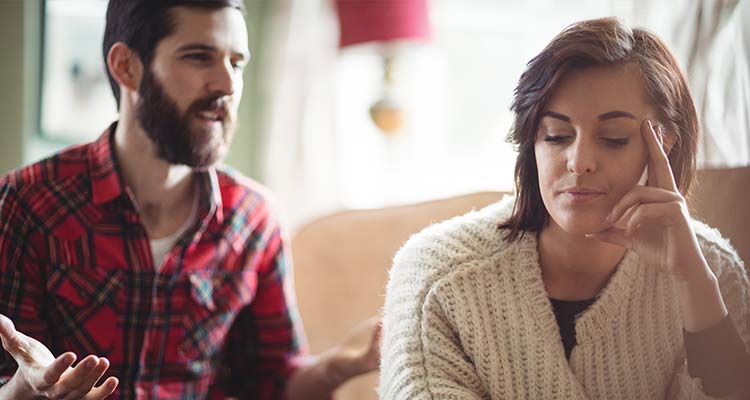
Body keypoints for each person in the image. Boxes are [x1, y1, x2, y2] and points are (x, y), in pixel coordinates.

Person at [0, 1, 379, 399]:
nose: (227, 84)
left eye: (236, 63)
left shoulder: (253, 219)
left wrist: (343, 366)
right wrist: (26, 387)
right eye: (199, 57)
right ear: (126, 66)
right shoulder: (27, 204)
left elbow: (275, 383)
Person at [379, 18, 750, 399]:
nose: (579, 161)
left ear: (665, 142)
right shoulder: (436, 279)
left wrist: (695, 284)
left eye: (613, 139)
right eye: (556, 136)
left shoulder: (713, 274)